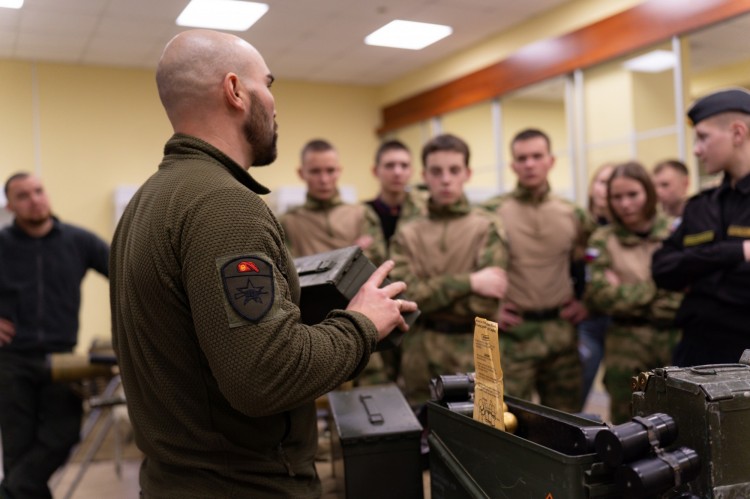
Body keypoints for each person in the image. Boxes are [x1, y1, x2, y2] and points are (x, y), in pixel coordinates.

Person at [109, 29, 416, 498]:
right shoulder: (225, 206)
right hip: (242, 486)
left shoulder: (149, 201)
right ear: (235, 91)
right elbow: (266, 377)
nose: (275, 104)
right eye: (268, 85)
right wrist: (362, 324)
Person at [0, 172, 110, 499]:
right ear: (10, 206)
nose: (34, 199)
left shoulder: (79, 241)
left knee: (63, 435)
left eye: (38, 191)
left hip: (62, 358)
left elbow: (126, 274)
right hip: (12, 360)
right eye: (23, 196)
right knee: (18, 449)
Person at [389, 133, 508, 406]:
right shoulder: (408, 233)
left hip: (473, 349)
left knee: (474, 435)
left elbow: (487, 301)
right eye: (436, 171)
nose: (445, 179)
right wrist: (469, 282)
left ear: (467, 173)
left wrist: (431, 294)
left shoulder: (486, 227)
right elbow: (406, 299)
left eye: (454, 170)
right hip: (420, 352)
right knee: (422, 431)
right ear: (425, 175)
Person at [483, 128, 594, 413]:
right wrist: (489, 310)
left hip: (561, 333)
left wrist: (587, 303)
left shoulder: (573, 213)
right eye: (522, 158)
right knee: (508, 420)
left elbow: (595, 262)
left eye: (536, 156)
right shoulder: (492, 212)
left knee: (565, 420)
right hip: (514, 334)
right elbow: (478, 268)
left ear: (551, 161)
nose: (529, 164)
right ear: (513, 165)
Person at [653, 88, 750, 367]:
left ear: (737, 133)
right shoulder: (700, 206)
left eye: (703, 137)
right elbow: (663, 269)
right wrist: (736, 253)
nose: (696, 149)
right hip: (696, 355)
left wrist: (697, 270)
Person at [584, 162, 682, 423]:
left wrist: (627, 292)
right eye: (617, 197)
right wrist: (660, 289)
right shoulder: (602, 240)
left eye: (633, 195)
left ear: (648, 193)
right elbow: (599, 296)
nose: (625, 204)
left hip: (675, 340)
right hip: (625, 347)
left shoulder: (675, 232)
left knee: (682, 418)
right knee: (628, 424)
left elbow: (687, 295)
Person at [279, 139, 383, 259]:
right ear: (301, 173)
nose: (324, 180)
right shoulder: (288, 223)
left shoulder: (362, 214)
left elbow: (379, 263)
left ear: (339, 171)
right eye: (315, 171)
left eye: (330, 171)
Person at [578, 162, 615, 405]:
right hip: (587, 321)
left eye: (612, 183)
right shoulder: (580, 226)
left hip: (620, 321)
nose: (605, 189)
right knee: (578, 387)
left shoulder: (630, 229)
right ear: (592, 187)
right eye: (601, 182)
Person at [363, 139, 426, 265]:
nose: (397, 172)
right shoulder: (361, 215)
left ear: (411, 171)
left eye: (404, 166)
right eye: (389, 165)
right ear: (375, 171)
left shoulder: (425, 211)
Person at [652, 159, 690, 224]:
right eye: (654, 186)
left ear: (685, 184)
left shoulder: (701, 218)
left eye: (665, 185)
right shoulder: (652, 224)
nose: (657, 191)